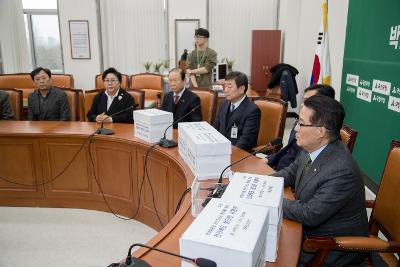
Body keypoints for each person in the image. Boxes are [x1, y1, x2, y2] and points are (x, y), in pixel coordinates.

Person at [274, 94, 369, 266]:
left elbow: (310, 214)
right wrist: (259, 182)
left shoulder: (341, 171)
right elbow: (290, 172)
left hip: (329, 248)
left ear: (321, 132)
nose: (295, 128)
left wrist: (269, 199)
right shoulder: (312, 148)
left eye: (301, 123)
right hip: (307, 231)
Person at [267, 84, 335, 171]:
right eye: (304, 100)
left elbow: (302, 171)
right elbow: (289, 149)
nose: (302, 104)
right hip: (282, 170)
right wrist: (269, 160)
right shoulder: (301, 123)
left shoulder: (319, 138)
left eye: (308, 101)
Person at [213, 71, 260, 151]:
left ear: (241, 89)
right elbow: (216, 128)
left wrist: (228, 153)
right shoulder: (223, 104)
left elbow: (246, 140)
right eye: (225, 86)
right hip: (220, 150)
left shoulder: (252, 110)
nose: (225, 90)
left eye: (230, 87)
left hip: (239, 155)